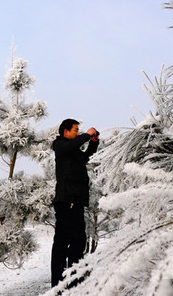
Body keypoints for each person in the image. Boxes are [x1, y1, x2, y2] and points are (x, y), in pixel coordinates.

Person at [51, 118, 100, 288]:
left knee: (68, 242)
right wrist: (87, 135)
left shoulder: (72, 151)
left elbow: (85, 156)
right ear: (66, 131)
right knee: (73, 241)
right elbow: (73, 145)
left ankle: (66, 283)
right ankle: (69, 283)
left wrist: (93, 142)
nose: (78, 133)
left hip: (74, 202)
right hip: (68, 202)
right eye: (76, 130)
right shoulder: (60, 145)